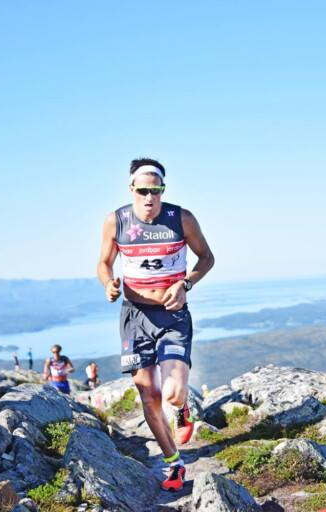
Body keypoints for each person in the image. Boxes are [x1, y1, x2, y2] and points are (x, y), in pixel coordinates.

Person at [97, 158, 214, 492]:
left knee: (173, 393)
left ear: (163, 189)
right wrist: (108, 284)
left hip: (172, 315)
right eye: (143, 191)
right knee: (149, 395)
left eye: (156, 190)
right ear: (131, 189)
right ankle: (174, 464)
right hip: (134, 316)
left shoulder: (181, 219)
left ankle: (182, 409)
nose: (149, 197)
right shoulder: (116, 220)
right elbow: (104, 262)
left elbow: (207, 258)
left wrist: (185, 284)